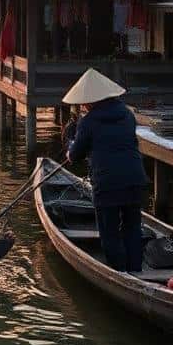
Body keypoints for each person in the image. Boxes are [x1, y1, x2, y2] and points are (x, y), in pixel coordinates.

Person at [62, 68, 148, 273]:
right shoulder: (127, 115)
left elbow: (75, 155)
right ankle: (135, 270)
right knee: (133, 228)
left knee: (109, 232)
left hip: (107, 183)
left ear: (91, 101)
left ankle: (119, 273)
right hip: (135, 178)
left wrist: (69, 151)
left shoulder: (89, 121)